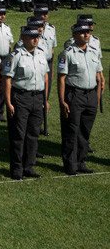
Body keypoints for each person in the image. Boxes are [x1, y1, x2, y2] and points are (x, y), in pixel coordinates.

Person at [57, 23, 104, 175]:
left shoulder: (94, 52)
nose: (86, 34)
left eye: (88, 32)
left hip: (91, 95)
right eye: (83, 32)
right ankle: (70, 164)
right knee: (71, 130)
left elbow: (98, 76)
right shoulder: (67, 54)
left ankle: (81, 161)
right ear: (75, 35)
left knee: (85, 130)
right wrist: (62, 101)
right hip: (74, 94)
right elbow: (61, 78)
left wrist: (96, 98)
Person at [3, 26, 49, 180]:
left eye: (37, 37)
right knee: (18, 134)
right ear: (23, 38)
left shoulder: (41, 54)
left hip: (37, 97)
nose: (36, 40)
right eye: (32, 37)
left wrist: (45, 99)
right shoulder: (15, 56)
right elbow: (7, 79)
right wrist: (8, 102)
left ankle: (29, 166)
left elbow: (45, 77)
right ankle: (17, 168)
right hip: (21, 97)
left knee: (33, 134)